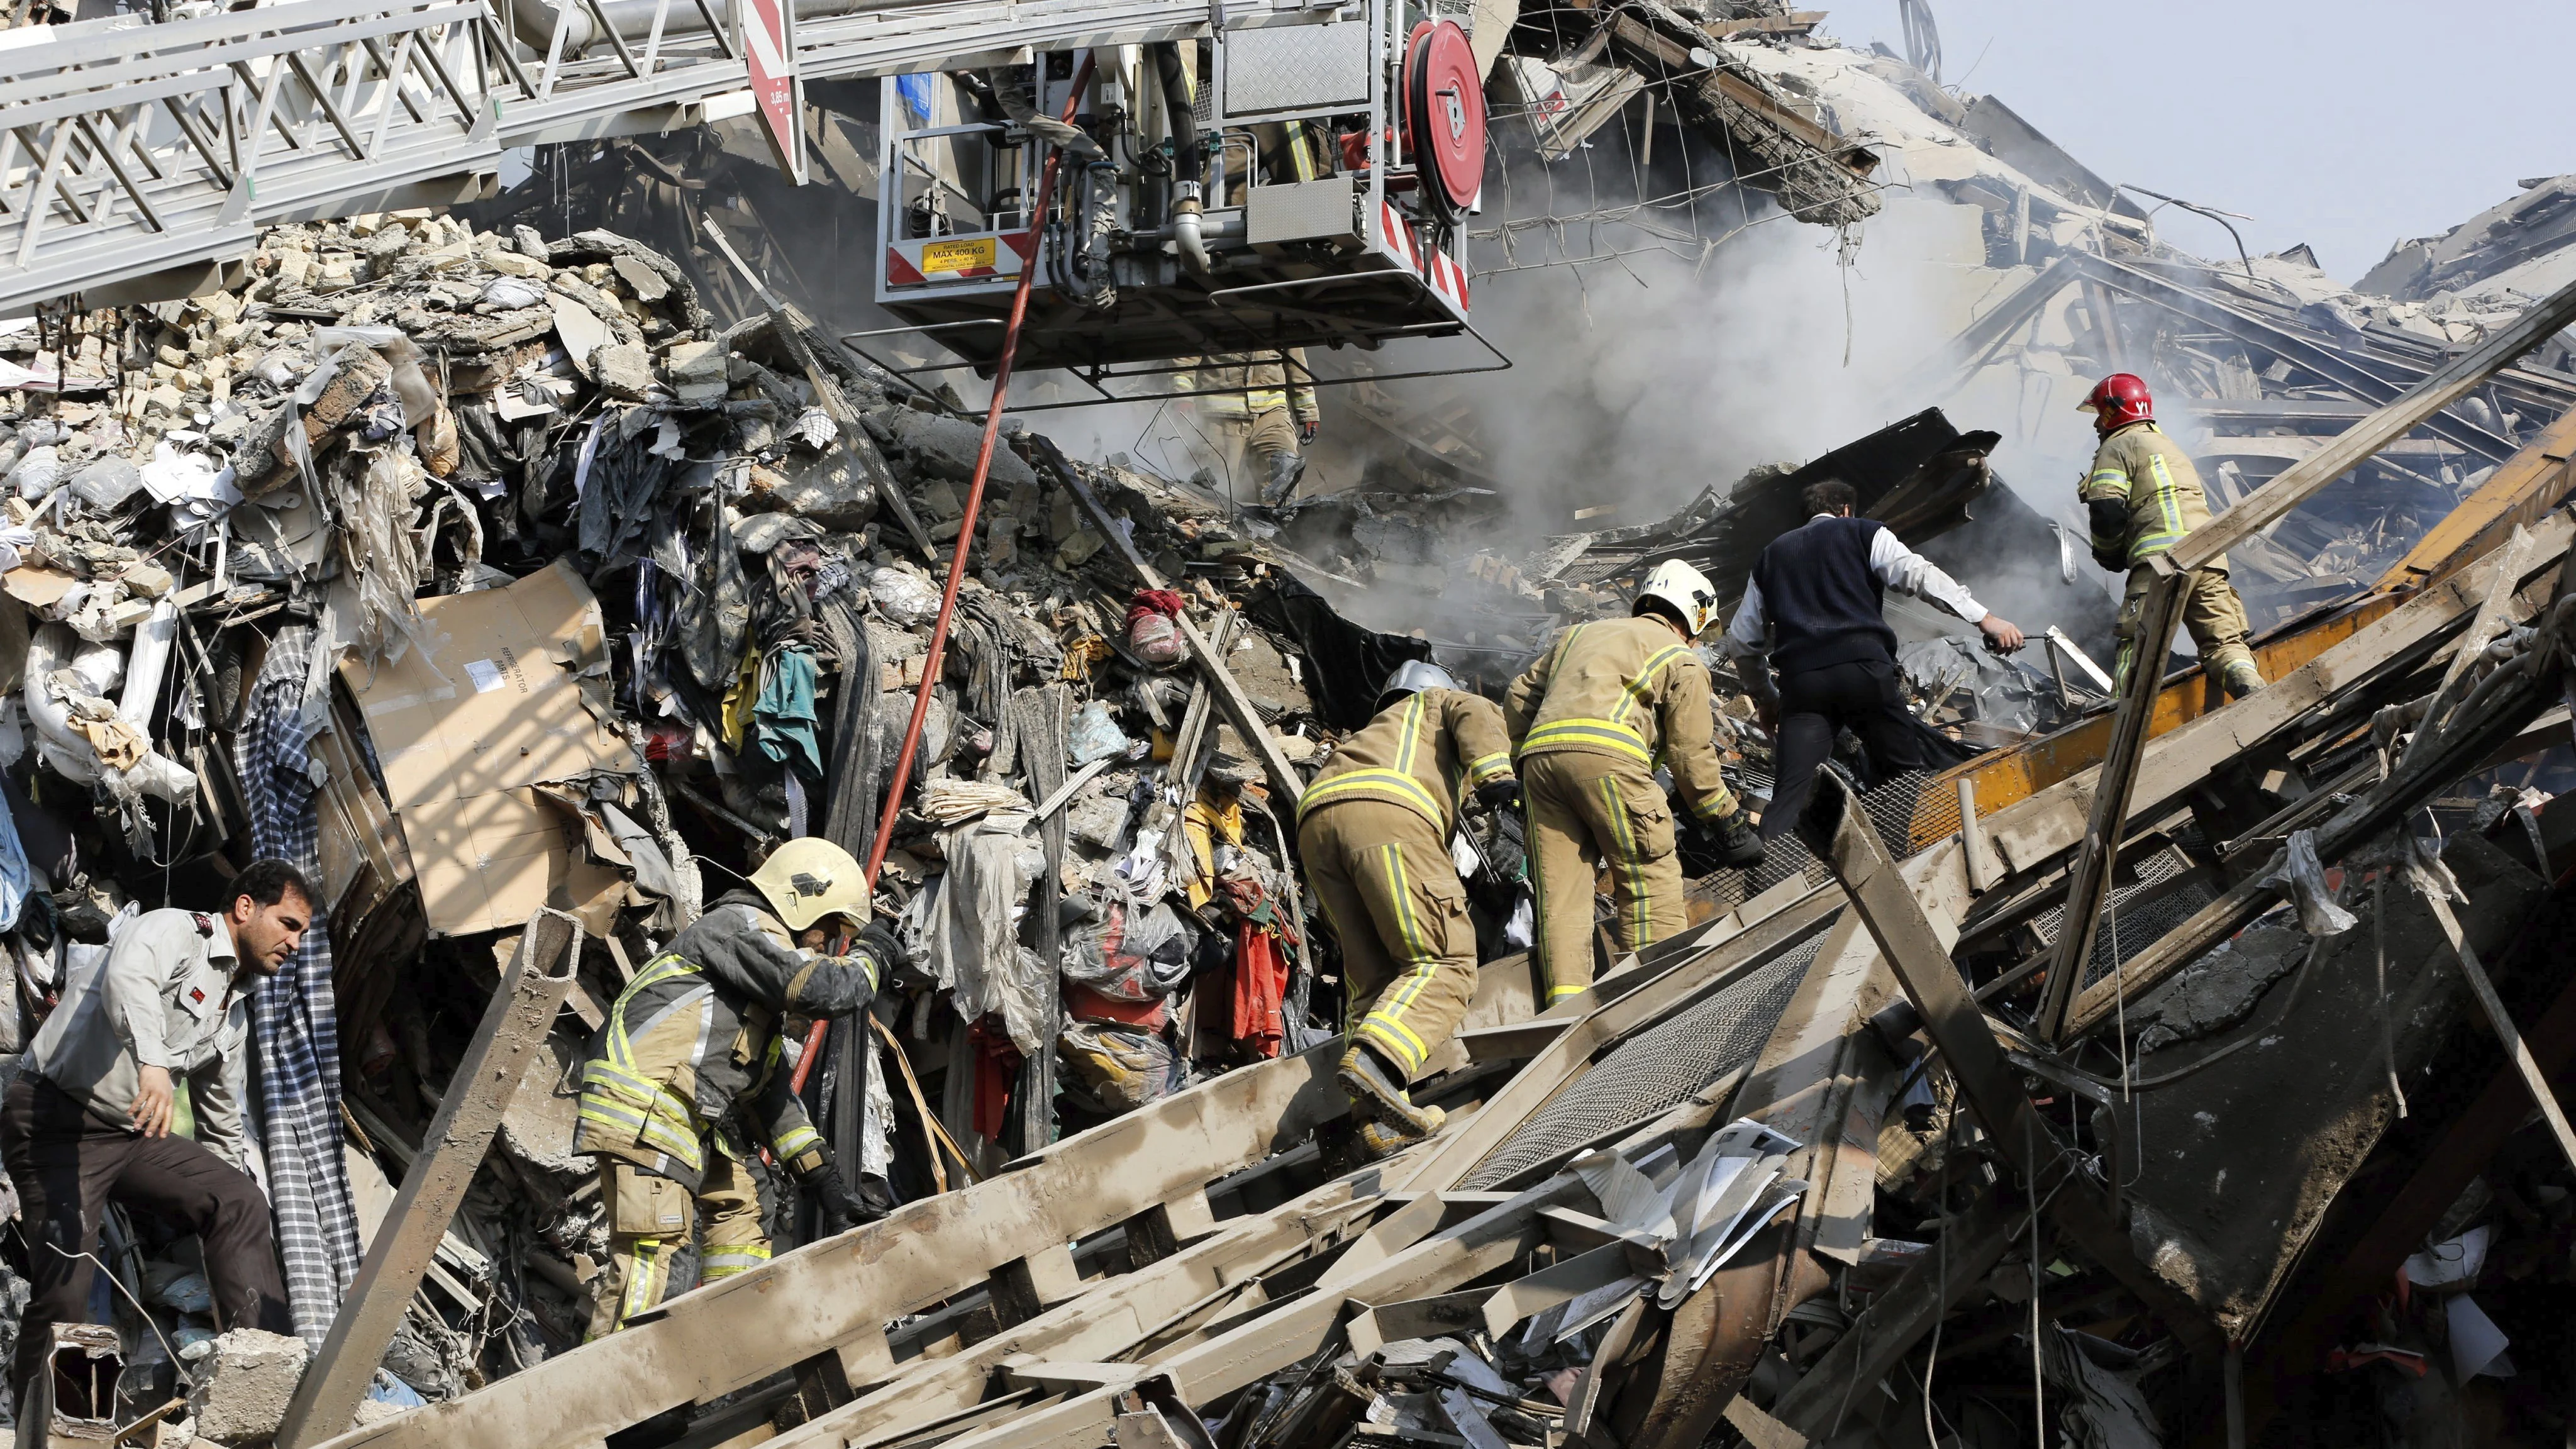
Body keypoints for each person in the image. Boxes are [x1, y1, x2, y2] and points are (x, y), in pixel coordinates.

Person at [3, 859, 306, 1402]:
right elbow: (128, 980)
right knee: (68, 1285)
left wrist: (225, 1184)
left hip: (128, 1135)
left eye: (302, 932)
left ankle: (262, 1379)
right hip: (55, 1121)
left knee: (236, 1198)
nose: (296, 943)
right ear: (244, 908)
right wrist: (154, 1064)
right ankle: (36, 1421)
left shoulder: (231, 1008)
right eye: (288, 924)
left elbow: (220, 1119)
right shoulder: (175, 931)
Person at [576, 838, 899, 1337]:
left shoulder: (749, 988)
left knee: (746, 1203)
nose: (822, 943)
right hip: (647, 1105)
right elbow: (820, 989)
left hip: (686, 1109)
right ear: (802, 897)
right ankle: (622, 1398)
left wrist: (825, 1183)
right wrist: (872, 955)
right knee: (657, 1255)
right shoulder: (739, 928)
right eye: (829, 928)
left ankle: (720, 1351)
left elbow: (766, 1094)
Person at [1506, 562, 1765, 1006]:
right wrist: (1728, 822)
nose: (1698, 642)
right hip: (1611, 761)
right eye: (1700, 633)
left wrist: (1517, 759)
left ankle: (1565, 1016)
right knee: (1649, 882)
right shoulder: (1680, 658)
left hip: (1541, 767)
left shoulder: (1578, 636)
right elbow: (1690, 755)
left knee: (1561, 902)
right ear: (1693, 615)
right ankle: (1654, 1011)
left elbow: (1517, 696)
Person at [1723, 479, 2026, 841]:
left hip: (1802, 687)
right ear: (1846, 510)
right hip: (1863, 671)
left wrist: (1767, 698)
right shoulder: (1864, 532)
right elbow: (1920, 576)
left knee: (1792, 789)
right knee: (1901, 770)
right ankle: (1891, 860)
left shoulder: (1771, 555)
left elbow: (1742, 639)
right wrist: (1986, 620)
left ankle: (1768, 881)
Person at [1297, 661, 1516, 1157]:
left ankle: (1374, 1121)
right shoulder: (1439, 703)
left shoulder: (1370, 738)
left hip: (1316, 823)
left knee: (1374, 981)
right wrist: (1498, 781)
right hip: (1387, 813)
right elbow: (1475, 709)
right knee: (1446, 963)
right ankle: (1377, 1063)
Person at [2076, 373, 2263, 698]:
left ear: (2112, 412)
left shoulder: (2118, 445)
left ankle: (2117, 719)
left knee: (2137, 646)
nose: (2096, 426)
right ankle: (2254, 690)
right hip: (2209, 557)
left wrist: (2108, 554)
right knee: (2223, 644)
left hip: (2161, 562)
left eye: (2098, 416)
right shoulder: (2170, 447)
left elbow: (2106, 507)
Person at [1173, 349, 1319, 504]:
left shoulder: (1282, 325)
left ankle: (1279, 523)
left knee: (1285, 466)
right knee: (1215, 489)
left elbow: (1297, 366)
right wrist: (1182, 396)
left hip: (1271, 413)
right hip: (1219, 418)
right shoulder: (1209, 324)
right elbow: (1185, 359)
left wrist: (1308, 412)